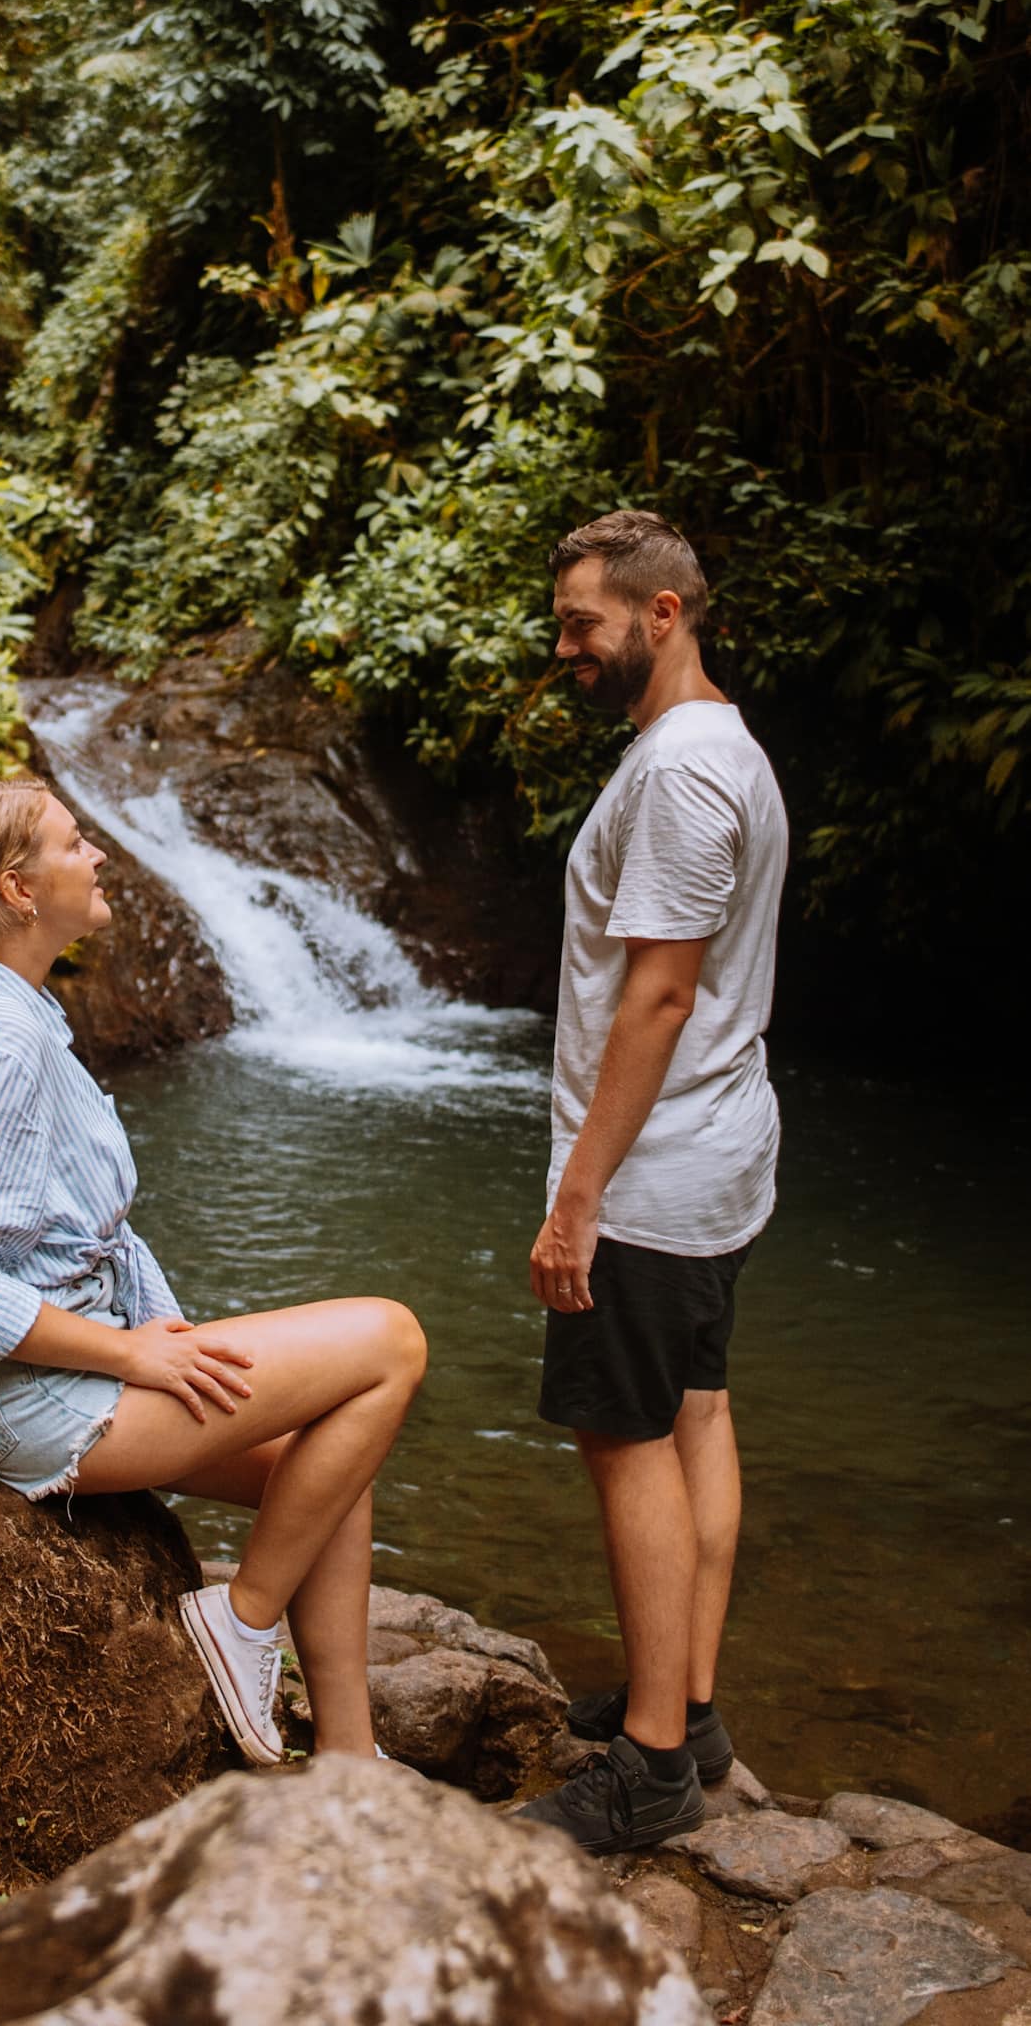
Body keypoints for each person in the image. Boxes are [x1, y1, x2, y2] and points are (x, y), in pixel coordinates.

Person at [0, 776, 427, 1767]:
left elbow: (66, 1237)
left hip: (45, 1373)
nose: (97, 855)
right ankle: (242, 1617)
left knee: (335, 1461)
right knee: (391, 1340)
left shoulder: (0, 1003)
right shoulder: (4, 1042)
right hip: (31, 1397)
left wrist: (159, 1324)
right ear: (17, 887)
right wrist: (134, 1353)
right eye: (74, 842)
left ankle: (351, 1755)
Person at [516, 510, 787, 1854]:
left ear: (663, 613)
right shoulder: (712, 746)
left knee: (625, 1438)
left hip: (655, 1174)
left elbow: (660, 993)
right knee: (695, 1415)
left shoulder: (678, 775)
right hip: (720, 1153)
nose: (566, 646)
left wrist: (579, 1198)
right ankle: (689, 1700)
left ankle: (654, 1770)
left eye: (585, 623)